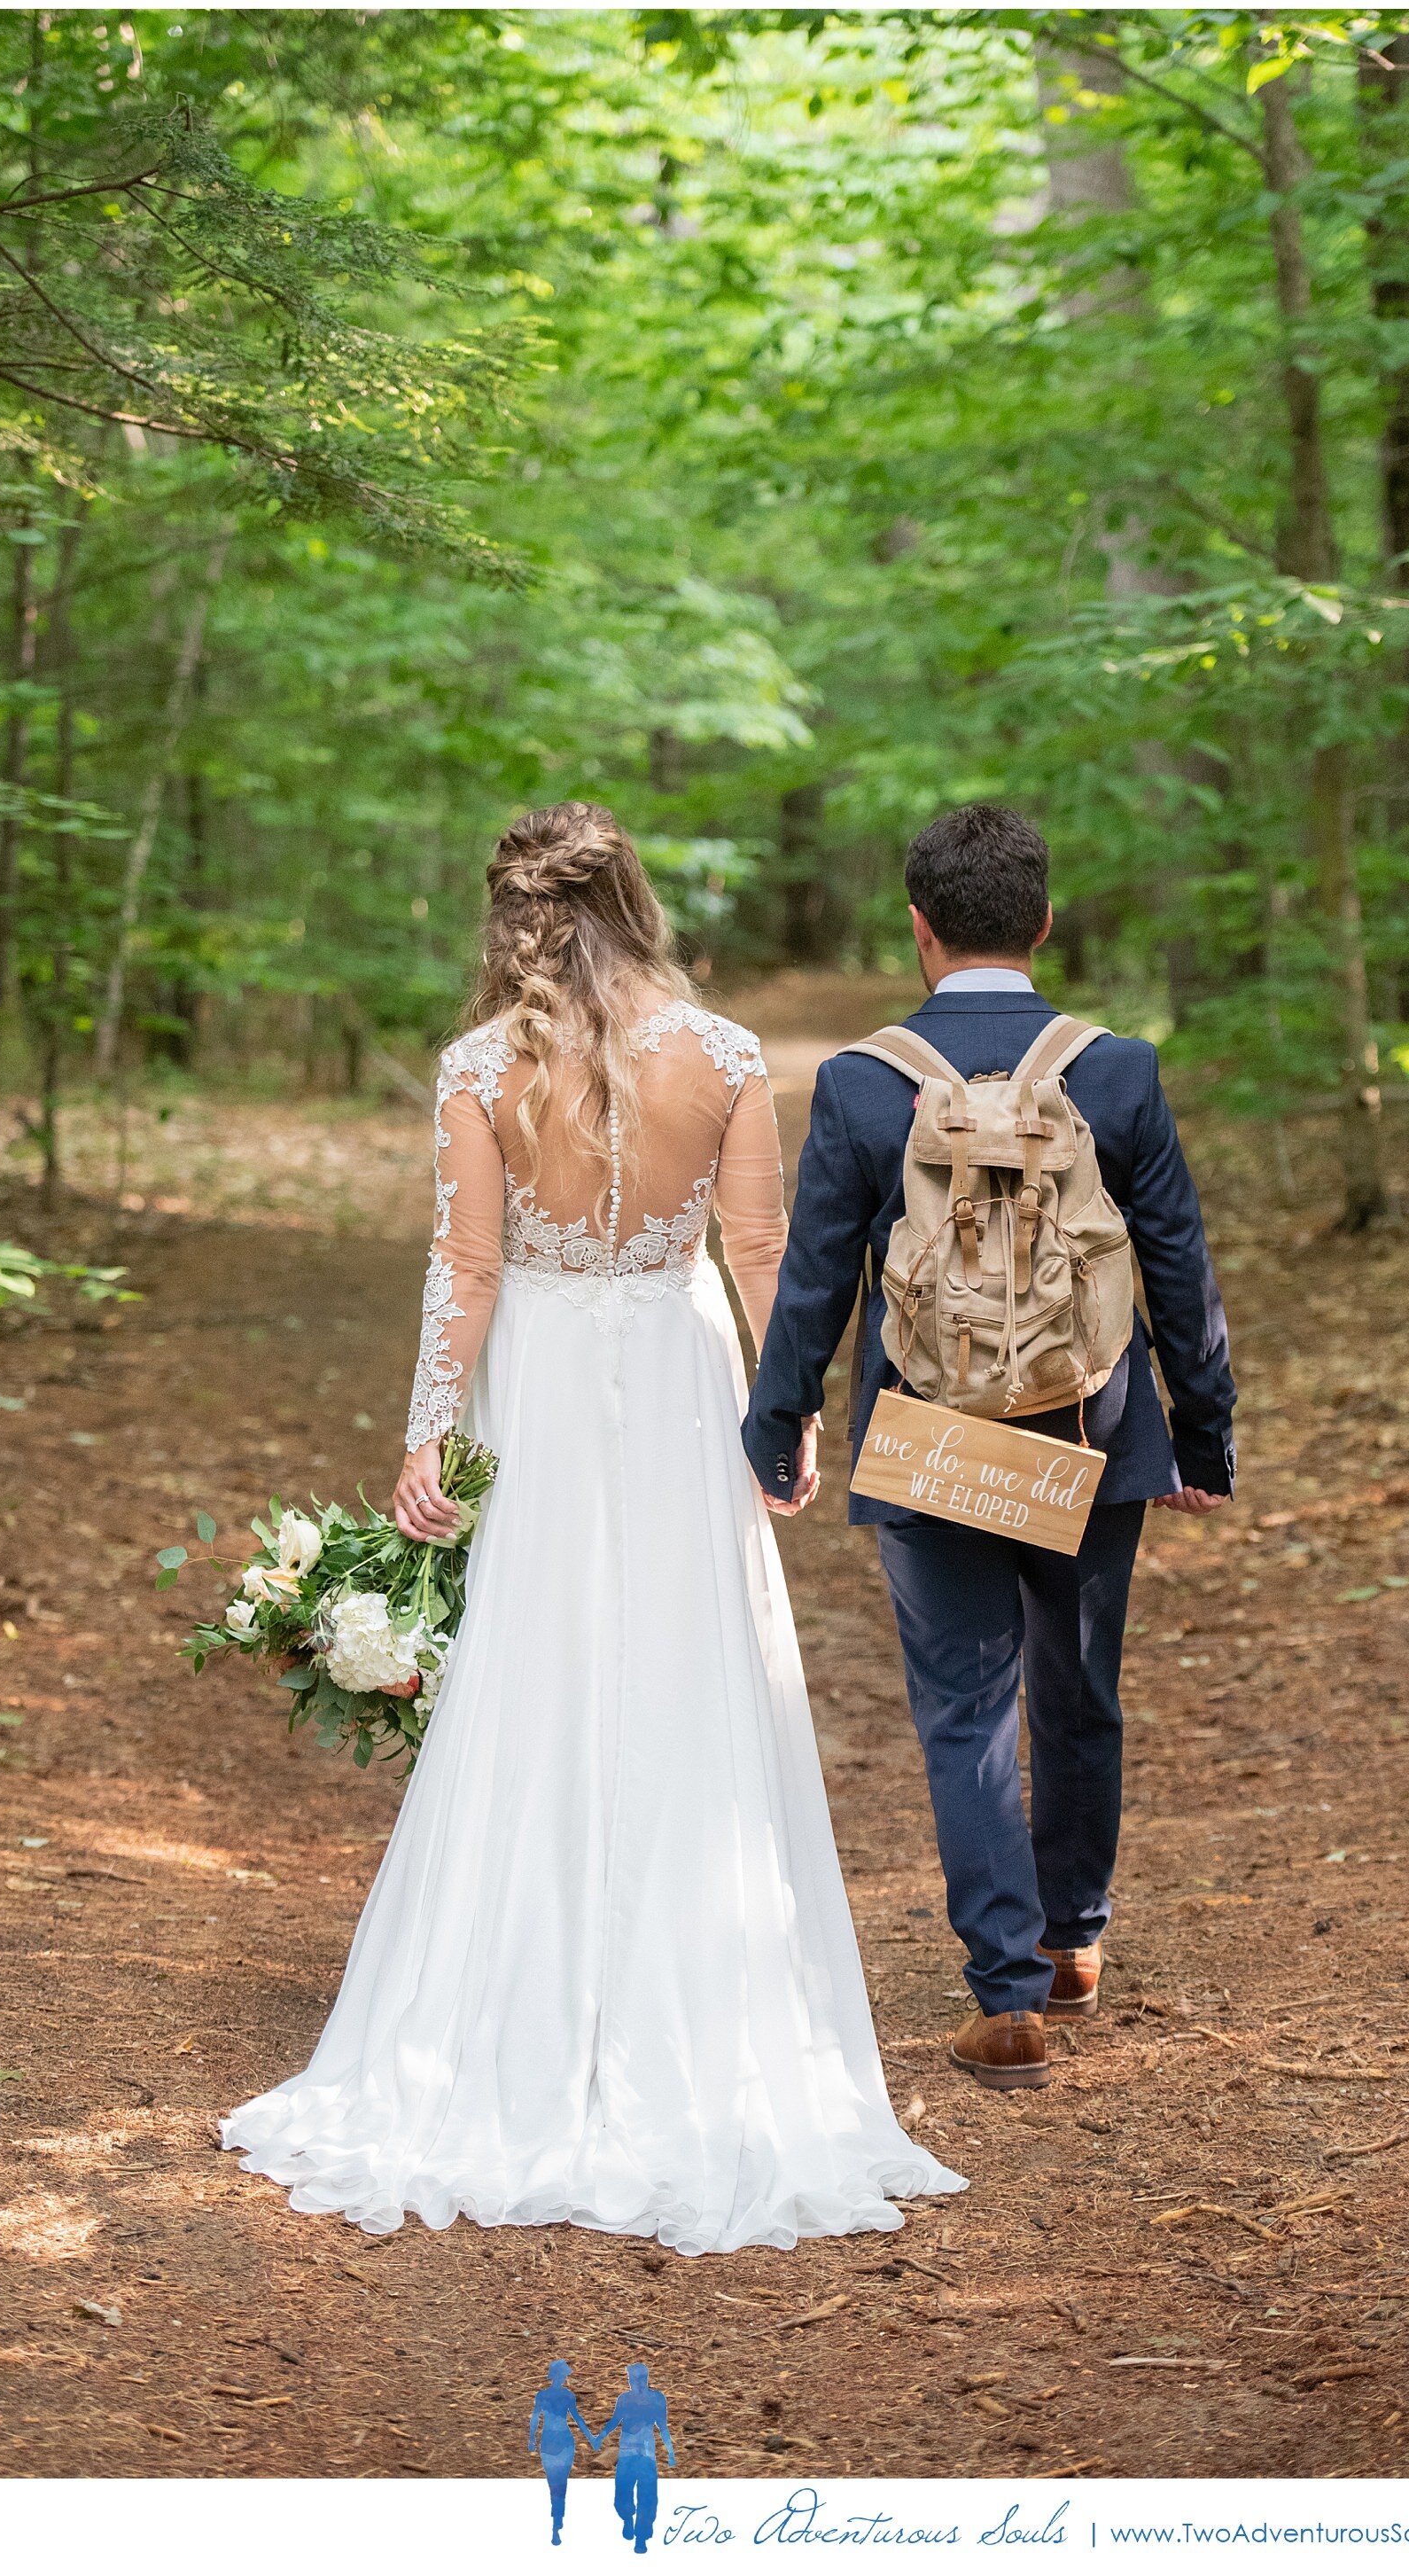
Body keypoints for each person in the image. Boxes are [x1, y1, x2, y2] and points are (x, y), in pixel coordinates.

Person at [222, 801, 962, 2252]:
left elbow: (472, 1268)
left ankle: (516, 2002)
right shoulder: (729, 1057)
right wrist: (785, 1410)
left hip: (548, 1387)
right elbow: (760, 1250)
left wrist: (428, 1429)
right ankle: (700, 2000)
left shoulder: (479, 1069)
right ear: (638, 903)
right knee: (688, 1668)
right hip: (682, 1378)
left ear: (512, 921)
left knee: (541, 1667)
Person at [743, 802, 1234, 2094]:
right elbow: (1177, 1259)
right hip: (1095, 1427)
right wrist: (1205, 1432)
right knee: (1077, 1692)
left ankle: (1003, 1992)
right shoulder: (1114, 1069)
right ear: (1045, 920)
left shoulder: (864, 1080)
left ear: (918, 927)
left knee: (966, 1706)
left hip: (927, 1432)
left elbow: (813, 1281)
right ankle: (1074, 1942)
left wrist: (777, 1420)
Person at [594, 2364, 674, 2556]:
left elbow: (662, 2426)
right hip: (629, 2452)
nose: (634, 2382)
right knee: (624, 2492)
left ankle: (641, 2536)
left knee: (646, 2496)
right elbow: (616, 2420)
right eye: (631, 2378)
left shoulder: (656, 2399)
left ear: (644, 2378)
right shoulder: (626, 2399)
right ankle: (628, 2518)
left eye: (637, 2378)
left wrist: (670, 2451)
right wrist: (601, 2435)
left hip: (645, 2454)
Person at [529, 2359, 598, 2547]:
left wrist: (532, 2439)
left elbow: (537, 2418)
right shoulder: (566, 2395)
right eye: (563, 2375)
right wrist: (590, 2437)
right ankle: (557, 2519)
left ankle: (556, 2519)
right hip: (561, 2440)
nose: (564, 2377)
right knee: (559, 2481)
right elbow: (576, 2418)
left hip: (552, 2440)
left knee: (556, 2481)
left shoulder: (545, 2395)